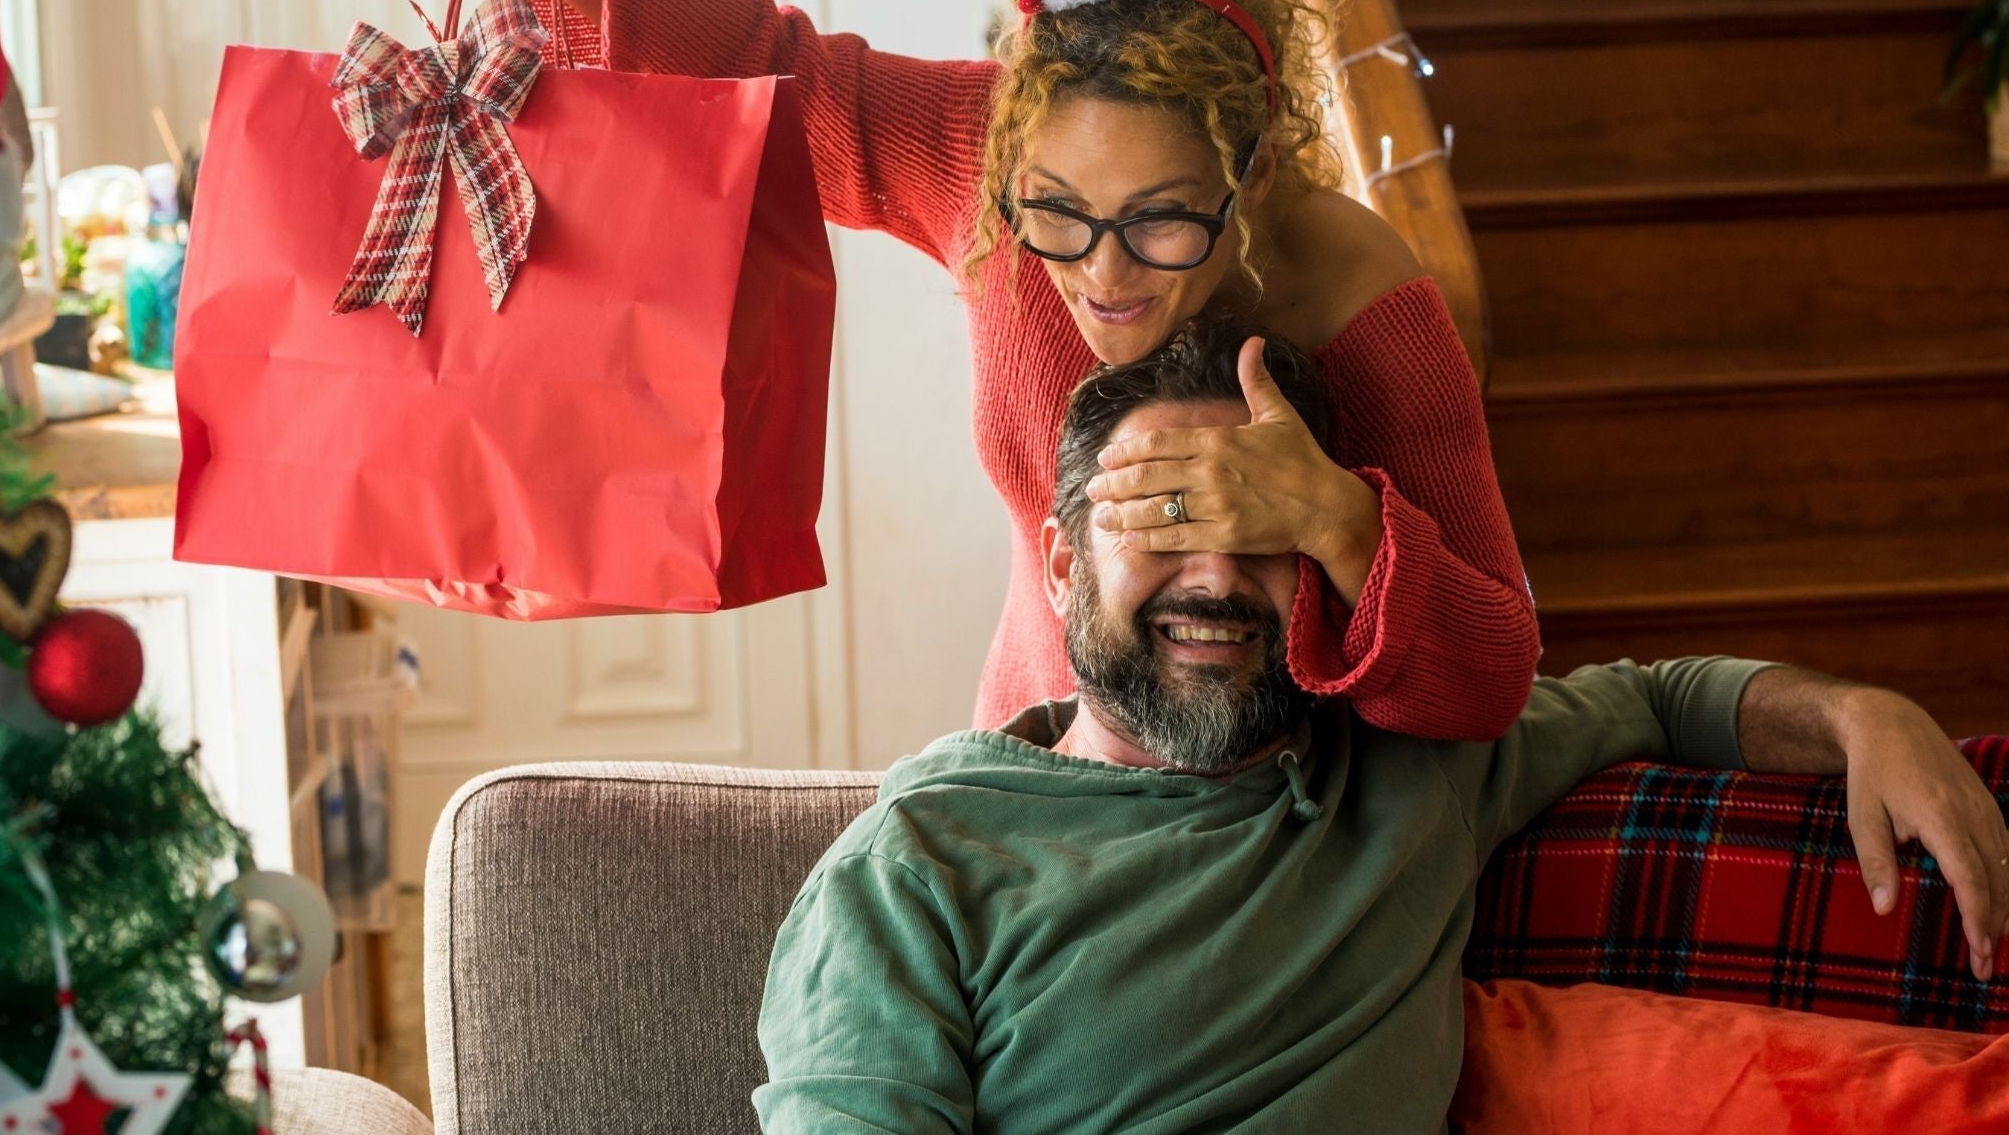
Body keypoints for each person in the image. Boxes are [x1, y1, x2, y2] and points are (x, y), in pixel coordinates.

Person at [748, 316, 2009, 1133]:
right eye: (1167, 522)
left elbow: (1655, 693)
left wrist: (1857, 713)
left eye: (1265, 533)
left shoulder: (1410, 767)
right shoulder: (920, 862)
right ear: (1063, 567)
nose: (1216, 578)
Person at [449, 0, 1541, 736]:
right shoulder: (981, 162)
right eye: (1056, 213)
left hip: (1272, 831)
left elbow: (1490, 678)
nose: (1102, 277)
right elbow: (779, 75)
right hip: (1036, 762)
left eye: (1160, 222)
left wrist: (1336, 522)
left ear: (1251, 178)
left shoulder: (1361, 298)